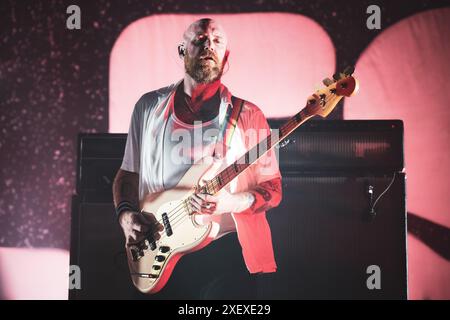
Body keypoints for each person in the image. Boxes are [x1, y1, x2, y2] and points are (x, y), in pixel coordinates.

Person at [112, 18, 282, 299]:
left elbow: (273, 190)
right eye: (200, 39)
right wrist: (125, 216)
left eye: (217, 42)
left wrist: (231, 202)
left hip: (223, 258)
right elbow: (127, 175)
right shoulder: (147, 107)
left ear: (226, 57)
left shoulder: (248, 115)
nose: (208, 46)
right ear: (182, 50)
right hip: (157, 248)